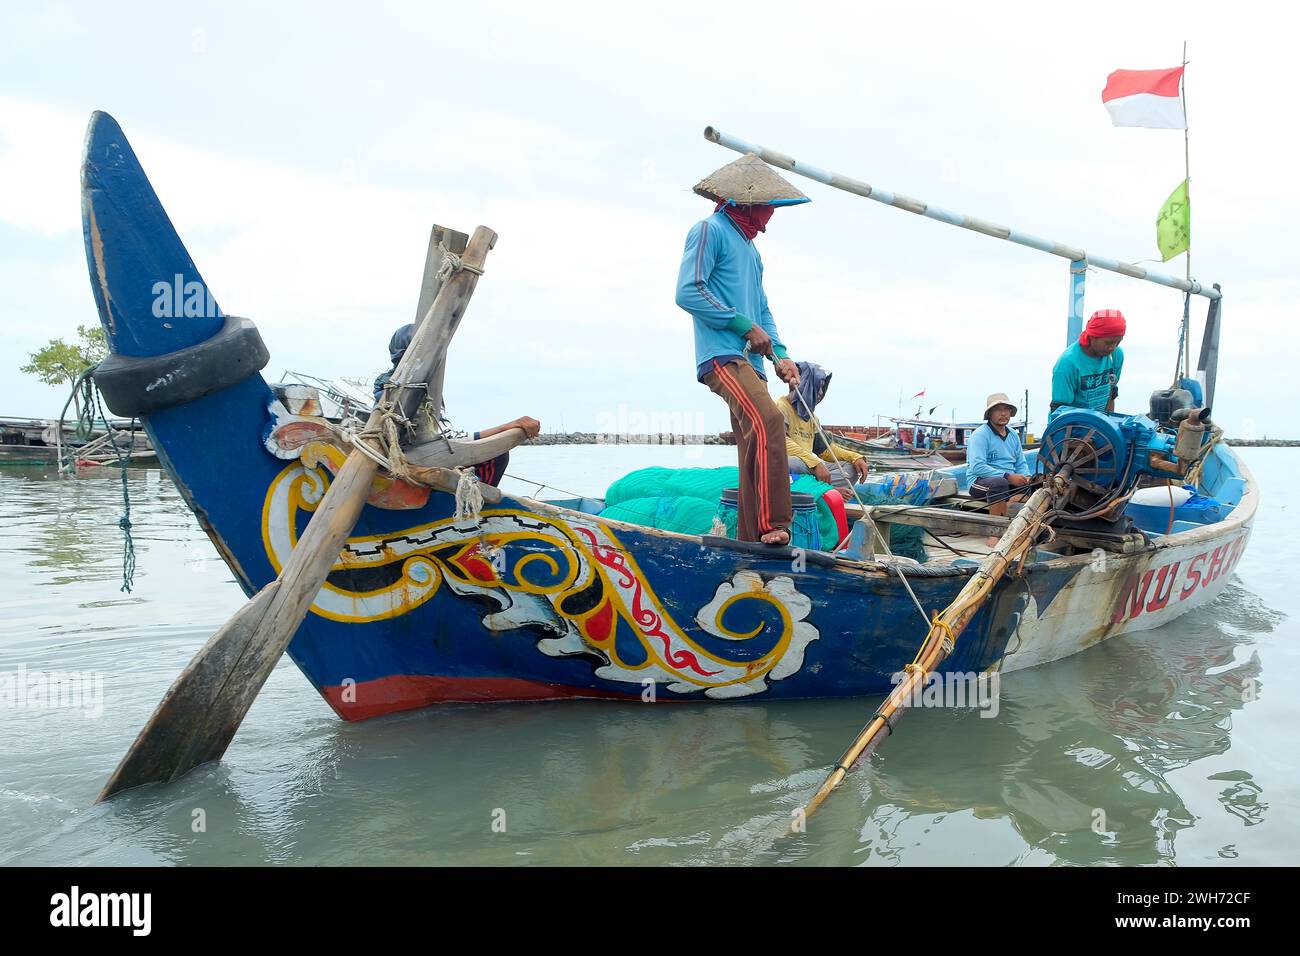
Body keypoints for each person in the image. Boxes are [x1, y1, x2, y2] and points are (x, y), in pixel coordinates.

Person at [675, 153, 810, 545]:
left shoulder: (752, 251)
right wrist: (741, 325)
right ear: (746, 203)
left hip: (752, 362)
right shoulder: (709, 230)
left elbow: (763, 310)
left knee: (754, 442)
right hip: (721, 355)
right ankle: (775, 525)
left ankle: (752, 540)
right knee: (770, 421)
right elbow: (688, 291)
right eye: (765, 206)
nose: (770, 213)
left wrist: (782, 355)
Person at [373, 323, 539, 487]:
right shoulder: (406, 389)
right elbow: (443, 439)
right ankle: (470, 508)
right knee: (496, 456)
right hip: (418, 455)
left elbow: (445, 435)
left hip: (429, 448)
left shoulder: (401, 384)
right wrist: (508, 427)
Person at [777, 361, 870, 494]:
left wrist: (855, 457)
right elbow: (782, 443)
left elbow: (826, 450)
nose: (820, 393)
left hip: (810, 467)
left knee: (850, 469)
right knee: (792, 463)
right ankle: (825, 489)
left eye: (823, 388)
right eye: (817, 387)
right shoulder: (780, 407)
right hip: (793, 467)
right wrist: (816, 464)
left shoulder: (812, 417)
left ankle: (818, 488)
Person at [967, 392, 1032, 546]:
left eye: (1006, 409)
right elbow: (977, 467)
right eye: (998, 409)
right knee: (999, 483)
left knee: (1036, 484)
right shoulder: (980, 435)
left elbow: (1020, 463)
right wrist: (1008, 476)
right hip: (980, 482)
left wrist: (1026, 477)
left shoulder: (1013, 435)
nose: (1003, 413)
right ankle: (994, 533)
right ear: (990, 413)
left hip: (1006, 480)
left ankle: (1008, 505)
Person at [1051, 309, 1126, 412]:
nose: (1112, 347)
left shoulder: (1116, 355)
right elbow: (1060, 411)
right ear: (1093, 337)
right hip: (1071, 424)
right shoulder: (1067, 364)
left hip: (1098, 424)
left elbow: (1111, 394)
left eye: (1118, 342)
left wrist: (1107, 424)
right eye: (1108, 343)